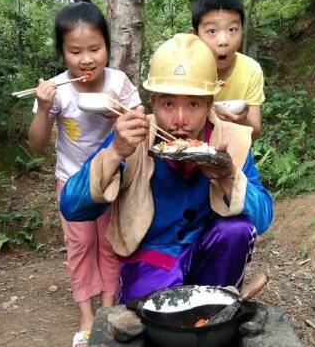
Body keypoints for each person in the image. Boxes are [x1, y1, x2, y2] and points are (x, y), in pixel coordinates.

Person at [60, 33, 273, 304]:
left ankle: (216, 303)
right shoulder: (133, 137)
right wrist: (115, 153)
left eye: (193, 104)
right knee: (152, 320)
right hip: (151, 256)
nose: (180, 120)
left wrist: (229, 177)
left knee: (235, 231)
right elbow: (72, 207)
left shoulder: (230, 139)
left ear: (209, 103)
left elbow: (263, 217)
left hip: (207, 251)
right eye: (168, 103)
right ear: (153, 102)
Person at [27, 0, 141, 346]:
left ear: (107, 45)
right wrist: (43, 109)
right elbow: (36, 144)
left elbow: (140, 125)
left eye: (95, 48)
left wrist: (121, 116)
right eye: (75, 51)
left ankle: (107, 310)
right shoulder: (57, 90)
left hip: (110, 180)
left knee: (109, 244)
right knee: (80, 246)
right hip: (72, 181)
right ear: (63, 52)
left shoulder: (118, 83)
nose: (87, 59)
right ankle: (86, 315)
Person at [191, 0, 266, 139]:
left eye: (232, 29)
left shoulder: (251, 70)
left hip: (233, 151)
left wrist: (243, 121)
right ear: (195, 35)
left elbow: (256, 131)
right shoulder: (187, 69)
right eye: (212, 31)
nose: (224, 41)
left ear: (242, 30)